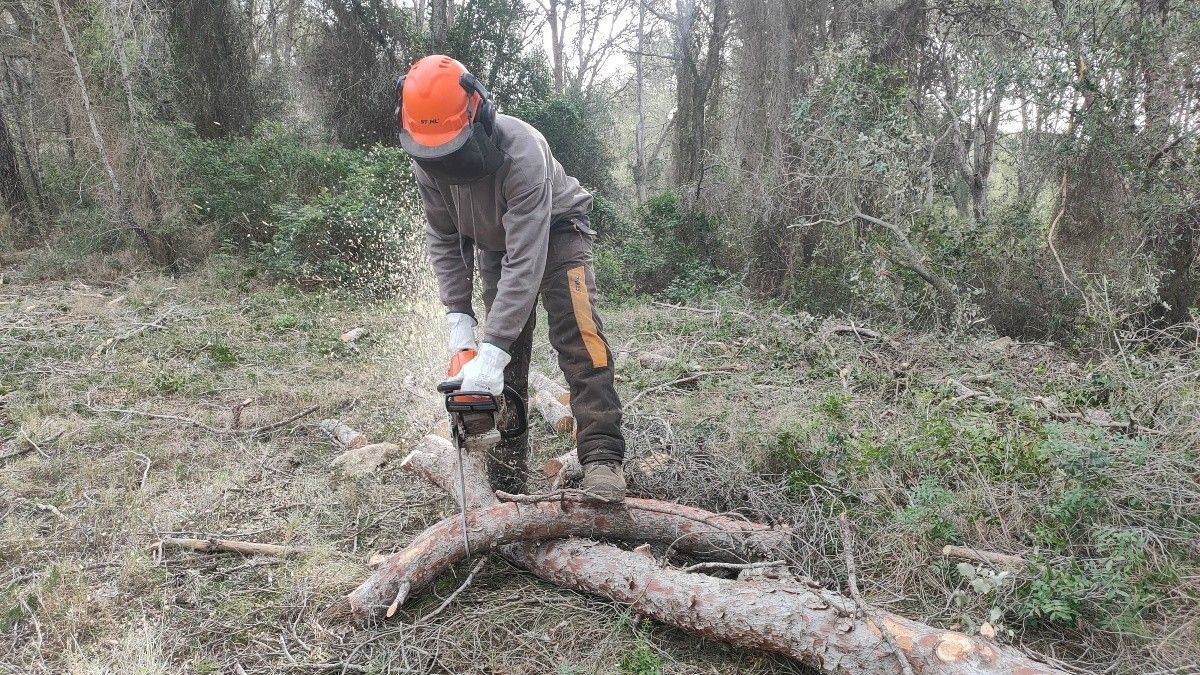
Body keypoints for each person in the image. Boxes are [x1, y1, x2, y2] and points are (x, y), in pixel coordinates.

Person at [395, 54, 626, 502]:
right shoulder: (426, 155)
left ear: (479, 114)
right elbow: (444, 238)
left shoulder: (523, 150)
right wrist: (460, 324)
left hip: (559, 229)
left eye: (453, 150)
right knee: (506, 355)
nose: (443, 164)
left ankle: (601, 457)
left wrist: (491, 347)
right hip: (496, 245)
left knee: (578, 335)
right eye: (433, 154)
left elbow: (527, 259)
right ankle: (506, 471)